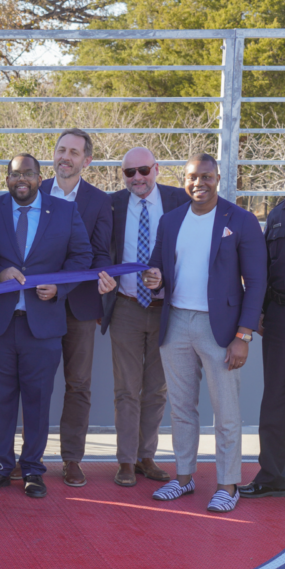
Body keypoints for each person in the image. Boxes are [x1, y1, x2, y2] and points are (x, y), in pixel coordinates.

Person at [143, 154, 266, 512]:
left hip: (222, 328)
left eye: (207, 177)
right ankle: (184, 478)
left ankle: (228, 485)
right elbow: (157, 268)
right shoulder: (170, 220)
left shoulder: (240, 220)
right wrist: (154, 278)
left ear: (217, 178)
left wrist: (243, 335)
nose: (199, 183)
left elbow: (256, 282)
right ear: (184, 179)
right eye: (192, 177)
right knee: (181, 408)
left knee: (226, 412)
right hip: (176, 322)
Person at [0, 155, 92, 499]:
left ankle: (32, 470)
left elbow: (82, 257)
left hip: (43, 323)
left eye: (28, 174)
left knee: (38, 401)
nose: (21, 179)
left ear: (41, 178)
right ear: (7, 179)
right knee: (0, 400)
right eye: (15, 174)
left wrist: (59, 287)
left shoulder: (65, 211)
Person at [100, 147, 187, 486]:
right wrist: (103, 279)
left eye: (143, 170)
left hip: (167, 309)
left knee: (156, 389)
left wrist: (165, 276)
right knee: (126, 389)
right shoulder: (112, 204)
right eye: (129, 172)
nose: (137, 177)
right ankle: (125, 460)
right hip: (126, 306)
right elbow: (100, 251)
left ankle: (146, 456)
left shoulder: (180, 200)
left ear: (157, 169)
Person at [39, 129, 115, 488]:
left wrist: (104, 277)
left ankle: (71, 459)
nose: (65, 157)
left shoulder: (99, 202)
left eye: (73, 152)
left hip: (81, 306)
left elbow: (101, 253)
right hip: (39, 302)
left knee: (79, 385)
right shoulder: (35, 192)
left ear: (87, 160)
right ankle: (30, 457)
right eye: (61, 150)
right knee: (35, 382)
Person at [242, 195, 285, 499]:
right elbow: (265, 268)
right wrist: (259, 310)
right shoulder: (279, 212)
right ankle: (273, 475)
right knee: (275, 399)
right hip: (280, 314)